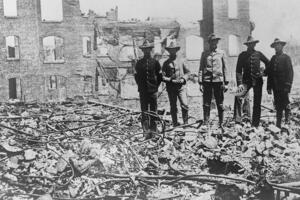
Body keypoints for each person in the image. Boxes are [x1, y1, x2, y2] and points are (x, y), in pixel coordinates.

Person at [235, 36, 269, 127]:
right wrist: (239, 83)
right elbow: (238, 70)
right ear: (247, 45)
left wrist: (264, 73)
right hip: (246, 81)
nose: (251, 46)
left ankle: (255, 124)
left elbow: (268, 63)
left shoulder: (258, 54)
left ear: (255, 44)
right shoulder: (242, 55)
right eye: (249, 44)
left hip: (258, 81)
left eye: (253, 44)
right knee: (238, 97)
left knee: (257, 102)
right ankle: (238, 121)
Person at [198, 34, 228, 127]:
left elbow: (225, 68)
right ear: (209, 43)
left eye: (215, 41)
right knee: (206, 103)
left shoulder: (222, 53)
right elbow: (201, 69)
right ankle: (206, 121)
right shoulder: (204, 54)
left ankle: (221, 122)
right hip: (207, 81)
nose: (213, 43)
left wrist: (226, 83)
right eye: (212, 42)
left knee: (220, 102)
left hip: (218, 81)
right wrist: (200, 82)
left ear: (217, 43)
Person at [134, 40, 162, 138]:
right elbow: (136, 77)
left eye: (148, 49)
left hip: (153, 91)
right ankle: (146, 132)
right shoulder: (139, 63)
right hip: (143, 91)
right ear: (142, 51)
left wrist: (155, 87)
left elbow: (160, 77)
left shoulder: (155, 62)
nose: (146, 51)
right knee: (144, 111)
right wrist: (141, 86)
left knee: (153, 111)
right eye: (144, 50)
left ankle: (154, 131)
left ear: (151, 50)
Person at [162, 41, 190, 126]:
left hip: (181, 87)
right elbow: (162, 77)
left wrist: (183, 79)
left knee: (185, 105)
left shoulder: (182, 60)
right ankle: (175, 124)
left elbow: (188, 73)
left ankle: (186, 124)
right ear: (169, 51)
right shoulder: (166, 63)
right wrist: (170, 80)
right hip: (171, 88)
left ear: (176, 50)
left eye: (173, 50)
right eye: (170, 50)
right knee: (173, 107)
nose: (172, 52)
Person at [267, 38, 294, 128]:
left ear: (282, 46)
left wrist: (288, 85)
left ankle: (287, 121)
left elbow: (290, 73)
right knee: (278, 104)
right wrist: (269, 86)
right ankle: (278, 123)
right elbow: (270, 73)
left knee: (285, 103)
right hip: (275, 86)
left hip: (284, 86)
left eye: (278, 46)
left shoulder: (286, 58)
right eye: (275, 46)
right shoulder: (273, 58)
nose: (276, 48)